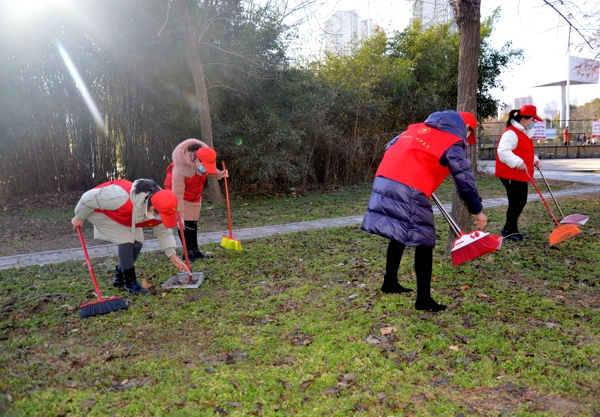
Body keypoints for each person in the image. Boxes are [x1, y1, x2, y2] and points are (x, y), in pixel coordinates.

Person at [361, 110, 487, 312]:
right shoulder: (452, 140)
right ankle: (423, 300)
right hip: (409, 185)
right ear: (466, 127)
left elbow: (390, 146)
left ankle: (389, 282)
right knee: (424, 241)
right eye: (468, 132)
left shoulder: (417, 129)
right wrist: (477, 210)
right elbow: (464, 179)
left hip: (384, 178)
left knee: (398, 230)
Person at [71, 179, 188, 294]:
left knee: (138, 241)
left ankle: (120, 277)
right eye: (162, 216)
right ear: (152, 209)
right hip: (101, 212)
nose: (163, 219)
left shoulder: (163, 204)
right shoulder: (120, 196)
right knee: (126, 240)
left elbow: (163, 232)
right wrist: (79, 217)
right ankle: (129, 282)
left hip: (127, 215)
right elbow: (88, 198)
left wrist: (172, 255)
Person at [164, 139, 228, 262]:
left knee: (192, 222)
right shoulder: (179, 168)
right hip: (177, 194)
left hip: (194, 193)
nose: (206, 168)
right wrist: (179, 215)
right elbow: (177, 193)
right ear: (197, 160)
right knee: (184, 223)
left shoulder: (202, 158)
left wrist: (219, 174)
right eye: (204, 165)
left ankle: (195, 249)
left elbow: (210, 171)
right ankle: (187, 252)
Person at [495, 104, 542, 243]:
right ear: (524, 119)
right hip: (510, 173)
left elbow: (523, 151)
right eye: (532, 120)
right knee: (516, 202)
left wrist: (534, 160)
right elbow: (503, 151)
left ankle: (509, 229)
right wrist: (518, 163)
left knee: (520, 202)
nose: (533, 123)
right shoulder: (511, 132)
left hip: (520, 174)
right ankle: (509, 230)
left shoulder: (523, 133)